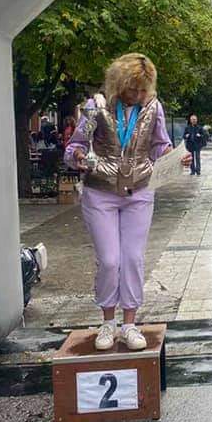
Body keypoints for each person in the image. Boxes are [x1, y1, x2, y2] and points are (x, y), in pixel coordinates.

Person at [65, 53, 191, 351]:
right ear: (119, 83)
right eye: (132, 88)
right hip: (100, 191)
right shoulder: (96, 106)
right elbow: (75, 145)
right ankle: (108, 322)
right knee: (110, 260)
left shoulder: (154, 107)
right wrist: (79, 156)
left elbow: (159, 144)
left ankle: (130, 324)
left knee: (133, 258)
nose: (137, 95)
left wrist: (175, 156)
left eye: (143, 89)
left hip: (140, 190)